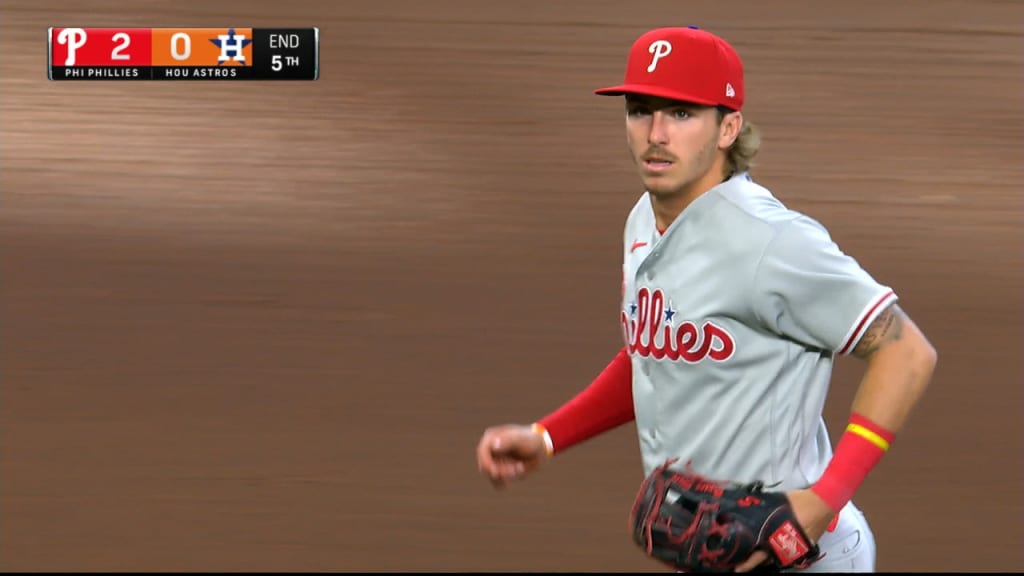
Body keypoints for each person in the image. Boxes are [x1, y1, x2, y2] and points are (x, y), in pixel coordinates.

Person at [474, 25, 937, 573]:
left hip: (801, 557)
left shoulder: (772, 242)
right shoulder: (643, 222)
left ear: (728, 128)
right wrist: (548, 436)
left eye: (681, 113)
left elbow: (907, 352)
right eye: (640, 110)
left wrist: (821, 504)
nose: (656, 133)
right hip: (716, 550)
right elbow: (654, 355)